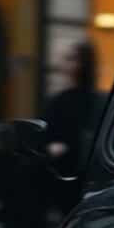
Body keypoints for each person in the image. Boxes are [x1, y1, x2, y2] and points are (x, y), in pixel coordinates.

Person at [43, 40, 105, 213]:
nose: (65, 64)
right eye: (66, 59)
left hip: (83, 175)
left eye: (72, 59)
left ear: (84, 63)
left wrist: (61, 146)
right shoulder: (58, 99)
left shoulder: (98, 100)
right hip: (61, 175)